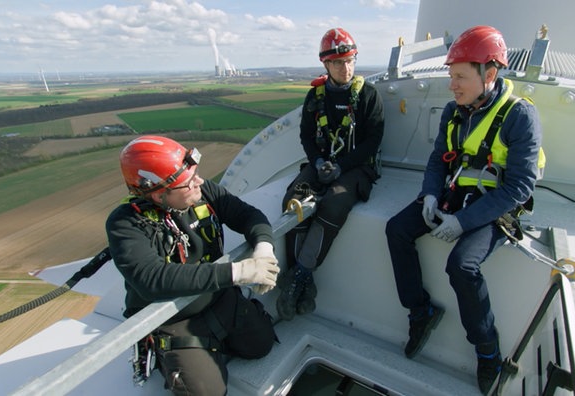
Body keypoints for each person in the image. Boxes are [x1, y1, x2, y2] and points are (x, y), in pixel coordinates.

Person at [385, 25, 544, 394]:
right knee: (397, 229)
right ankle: (420, 311)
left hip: (494, 203)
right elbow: (438, 161)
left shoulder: (520, 116)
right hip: (454, 193)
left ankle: (488, 352)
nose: (452, 85)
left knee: (461, 265)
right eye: (450, 76)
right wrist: (429, 195)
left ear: (489, 75)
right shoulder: (456, 111)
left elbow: (520, 186)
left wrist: (463, 222)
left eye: (460, 76)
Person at [106, 135, 281, 395]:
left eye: (195, 174)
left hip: (218, 299)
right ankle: (178, 355)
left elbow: (248, 215)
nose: (198, 182)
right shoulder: (125, 225)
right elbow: (152, 280)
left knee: (261, 345)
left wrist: (263, 248)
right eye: (187, 183)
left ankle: (213, 345)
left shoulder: (203, 192)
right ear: (157, 193)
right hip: (174, 319)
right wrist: (238, 272)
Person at [276, 27, 385, 321]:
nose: (345, 68)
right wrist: (320, 161)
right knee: (293, 199)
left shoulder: (368, 96)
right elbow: (307, 136)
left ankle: (300, 273)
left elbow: (373, 140)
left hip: (356, 166)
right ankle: (302, 276)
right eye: (338, 63)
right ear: (326, 64)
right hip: (322, 161)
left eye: (350, 61)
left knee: (334, 203)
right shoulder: (315, 96)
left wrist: (341, 167)